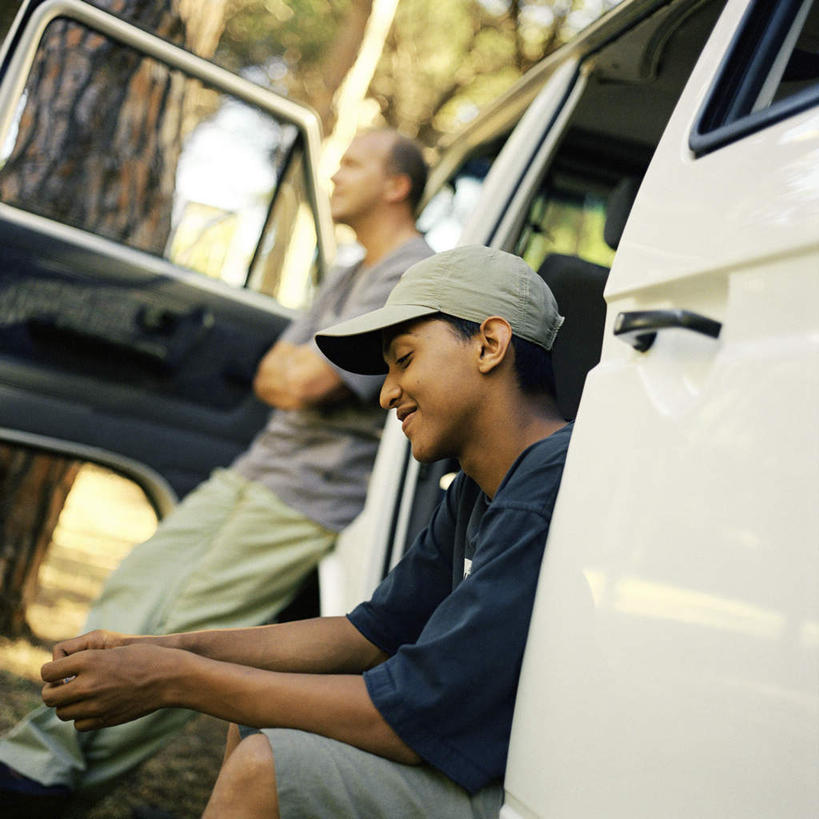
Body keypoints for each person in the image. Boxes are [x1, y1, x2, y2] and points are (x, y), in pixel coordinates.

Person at [34, 245, 572, 818]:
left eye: (405, 359)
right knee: (262, 711)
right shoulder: (476, 488)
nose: (387, 393)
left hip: (536, 792)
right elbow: (367, 635)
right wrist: (156, 647)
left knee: (267, 768)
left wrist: (172, 679)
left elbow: (406, 714)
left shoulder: (545, 491)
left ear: (489, 345)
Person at [0, 128, 433, 808]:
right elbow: (273, 374)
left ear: (395, 184)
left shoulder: (410, 273)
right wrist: (301, 369)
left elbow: (311, 384)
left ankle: (45, 787)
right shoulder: (349, 274)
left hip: (306, 496)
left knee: (186, 637)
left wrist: (302, 370)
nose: (334, 173)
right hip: (252, 471)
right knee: (131, 592)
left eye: (352, 162)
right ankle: (37, 755)